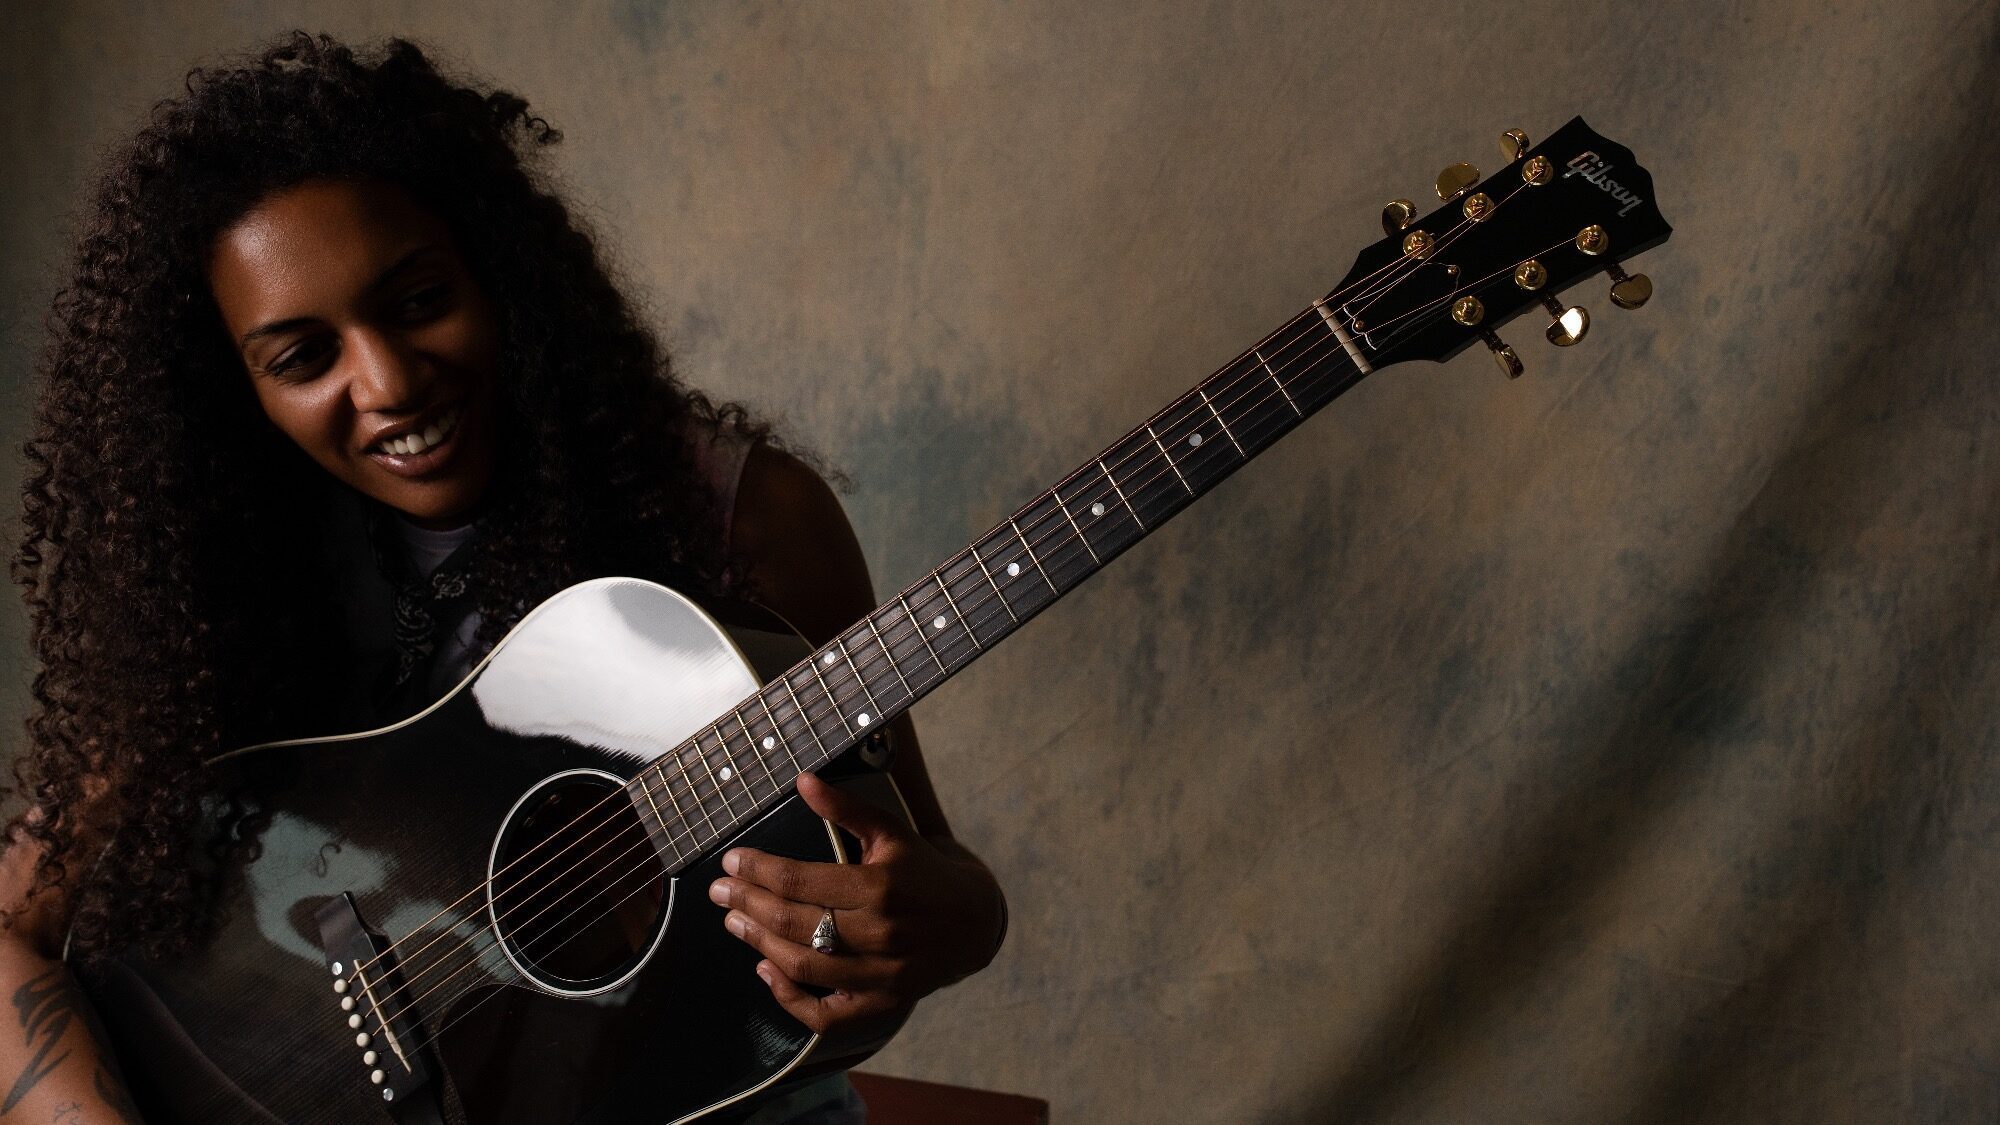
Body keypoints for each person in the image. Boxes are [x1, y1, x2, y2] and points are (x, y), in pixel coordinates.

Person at [0, 31, 1006, 1124]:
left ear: (498, 271)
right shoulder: (220, 583)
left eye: (418, 300)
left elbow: (942, 874)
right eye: (303, 358)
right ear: (228, 390)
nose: (387, 382)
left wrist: (933, 918)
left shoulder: (736, 513)